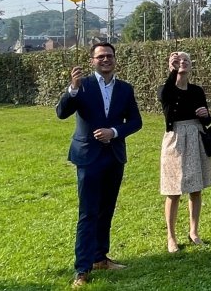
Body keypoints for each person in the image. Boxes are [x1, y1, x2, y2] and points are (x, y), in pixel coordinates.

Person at [56, 42, 143, 288]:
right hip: (88, 157)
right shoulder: (82, 86)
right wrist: (72, 90)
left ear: (115, 60)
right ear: (92, 61)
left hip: (114, 156)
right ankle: (82, 269)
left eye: (110, 56)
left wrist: (114, 131)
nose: (106, 59)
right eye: (101, 56)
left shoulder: (125, 89)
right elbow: (61, 113)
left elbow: (136, 121)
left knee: (106, 210)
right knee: (88, 213)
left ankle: (100, 258)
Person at [158, 52, 211, 253]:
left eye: (186, 61)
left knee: (196, 188)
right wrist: (172, 71)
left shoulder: (197, 91)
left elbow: (207, 120)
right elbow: (165, 96)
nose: (183, 63)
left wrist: (206, 115)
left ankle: (194, 232)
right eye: (179, 61)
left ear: (191, 66)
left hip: (196, 135)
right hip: (175, 139)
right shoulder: (166, 89)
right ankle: (171, 237)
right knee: (173, 190)